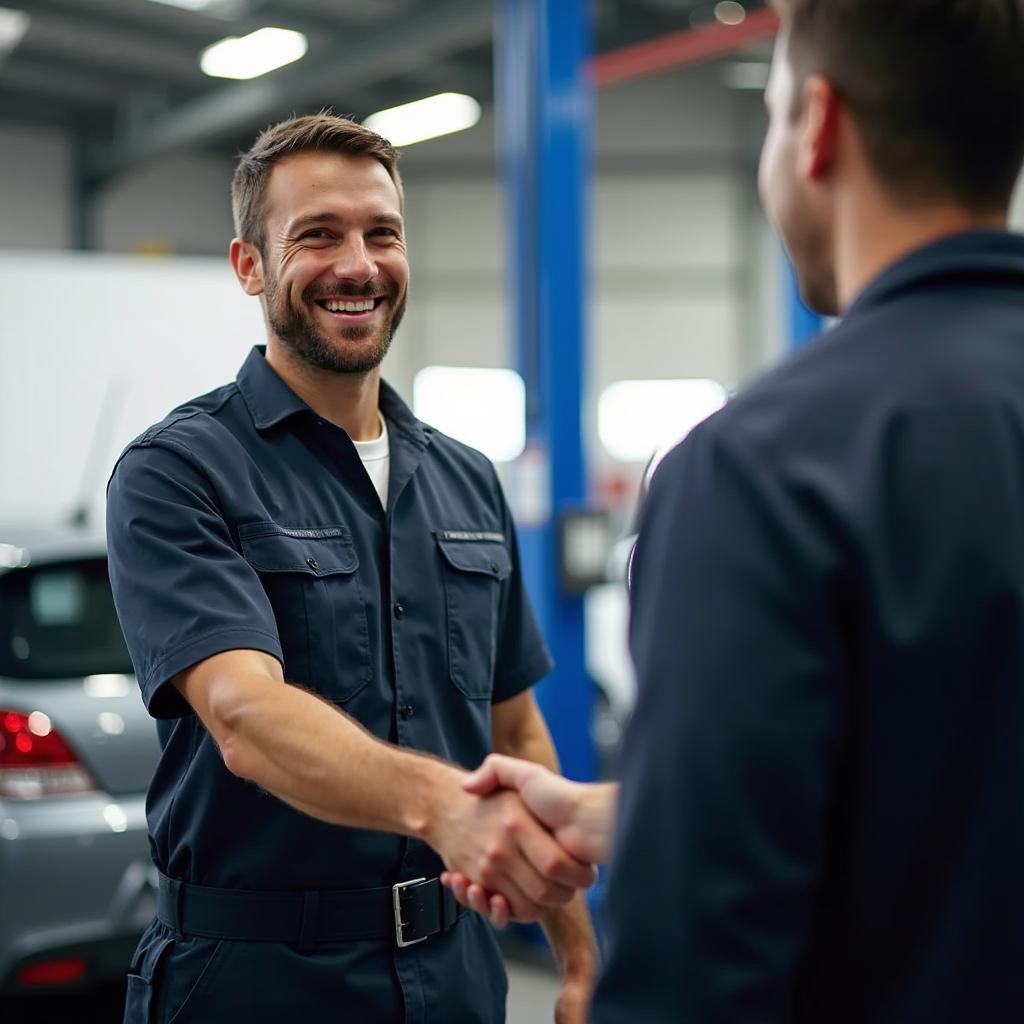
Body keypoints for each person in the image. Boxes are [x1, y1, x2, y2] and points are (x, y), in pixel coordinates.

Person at [444, 1, 1024, 1021]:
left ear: (818, 127)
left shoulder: (762, 468)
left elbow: (696, 965)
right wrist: (624, 812)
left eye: (768, 116)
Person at [105, 113, 598, 1024]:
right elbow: (245, 714)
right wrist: (444, 807)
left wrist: (577, 957)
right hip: (254, 983)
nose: (358, 264)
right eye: (318, 235)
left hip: (456, 976)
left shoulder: (465, 479)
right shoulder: (179, 470)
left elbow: (515, 730)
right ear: (250, 267)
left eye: (382, 233)